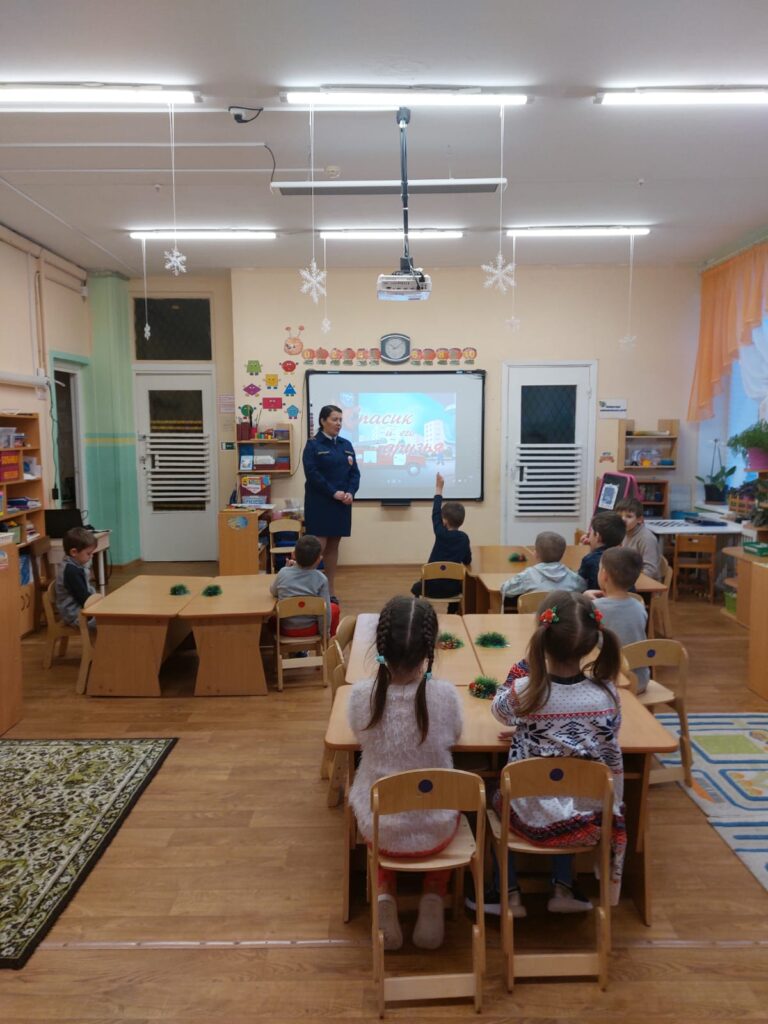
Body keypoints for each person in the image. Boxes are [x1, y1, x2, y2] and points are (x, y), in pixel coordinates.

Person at [477, 591, 625, 917]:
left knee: (493, 793)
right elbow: (607, 736)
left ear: (542, 639)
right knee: (570, 787)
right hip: (587, 816)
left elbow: (499, 711)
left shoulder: (526, 690)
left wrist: (525, 682)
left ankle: (507, 892)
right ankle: (564, 886)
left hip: (528, 813)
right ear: (592, 642)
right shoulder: (607, 694)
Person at [347, 596, 463, 951]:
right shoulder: (444, 695)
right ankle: (434, 895)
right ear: (430, 649)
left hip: (381, 826)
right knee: (444, 798)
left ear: (380, 645)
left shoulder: (362, 695)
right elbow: (456, 734)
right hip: (436, 823)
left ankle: (384, 893)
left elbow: (357, 736)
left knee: (376, 796)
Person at [302, 404, 360, 597]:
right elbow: (312, 474)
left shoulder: (346, 445)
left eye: (340, 420)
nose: (339, 423)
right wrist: (333, 492)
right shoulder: (313, 445)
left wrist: (350, 492)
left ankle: (329, 590)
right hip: (320, 503)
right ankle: (307, 590)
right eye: (334, 419)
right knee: (317, 548)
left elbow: (355, 473)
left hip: (341, 504)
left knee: (333, 546)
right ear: (323, 421)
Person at [586, 547, 650, 693]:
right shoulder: (639, 606)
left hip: (608, 681)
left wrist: (584, 599)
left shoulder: (594, 607)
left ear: (604, 575)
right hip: (640, 680)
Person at [410, 472, 471, 612]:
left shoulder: (440, 533)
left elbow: (435, 513)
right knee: (461, 585)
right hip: (452, 590)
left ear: (444, 521)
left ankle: (420, 610)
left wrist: (439, 489)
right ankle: (452, 612)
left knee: (416, 588)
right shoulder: (464, 538)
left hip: (430, 588)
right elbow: (467, 560)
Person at [269, 533, 339, 637]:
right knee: (334, 608)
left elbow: (273, 591)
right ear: (318, 560)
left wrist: (286, 568)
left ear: (293, 554)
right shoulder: (321, 579)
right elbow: (326, 611)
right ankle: (331, 640)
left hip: (285, 629)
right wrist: (325, 634)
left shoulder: (283, 572)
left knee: (270, 616)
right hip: (310, 629)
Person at [500, 531, 585, 604]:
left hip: (533, 617)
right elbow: (583, 588)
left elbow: (505, 590)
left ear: (535, 554)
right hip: (564, 616)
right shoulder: (573, 578)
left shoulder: (527, 576)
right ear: (562, 555)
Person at [54, 526, 96, 629]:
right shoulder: (71, 572)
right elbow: (83, 598)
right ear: (74, 552)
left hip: (80, 609)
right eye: (88, 553)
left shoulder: (75, 565)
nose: (91, 556)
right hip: (75, 616)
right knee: (109, 621)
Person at [578, 511, 626, 591]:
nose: (588, 536)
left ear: (597, 536)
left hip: (595, 597)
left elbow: (578, 584)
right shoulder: (624, 558)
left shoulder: (589, 560)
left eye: (590, 533)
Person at [616, 497, 662, 581]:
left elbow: (650, 571)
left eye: (629, 516)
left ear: (639, 519)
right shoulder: (625, 532)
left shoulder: (646, 538)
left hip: (648, 583)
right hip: (630, 578)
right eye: (619, 516)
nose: (623, 520)